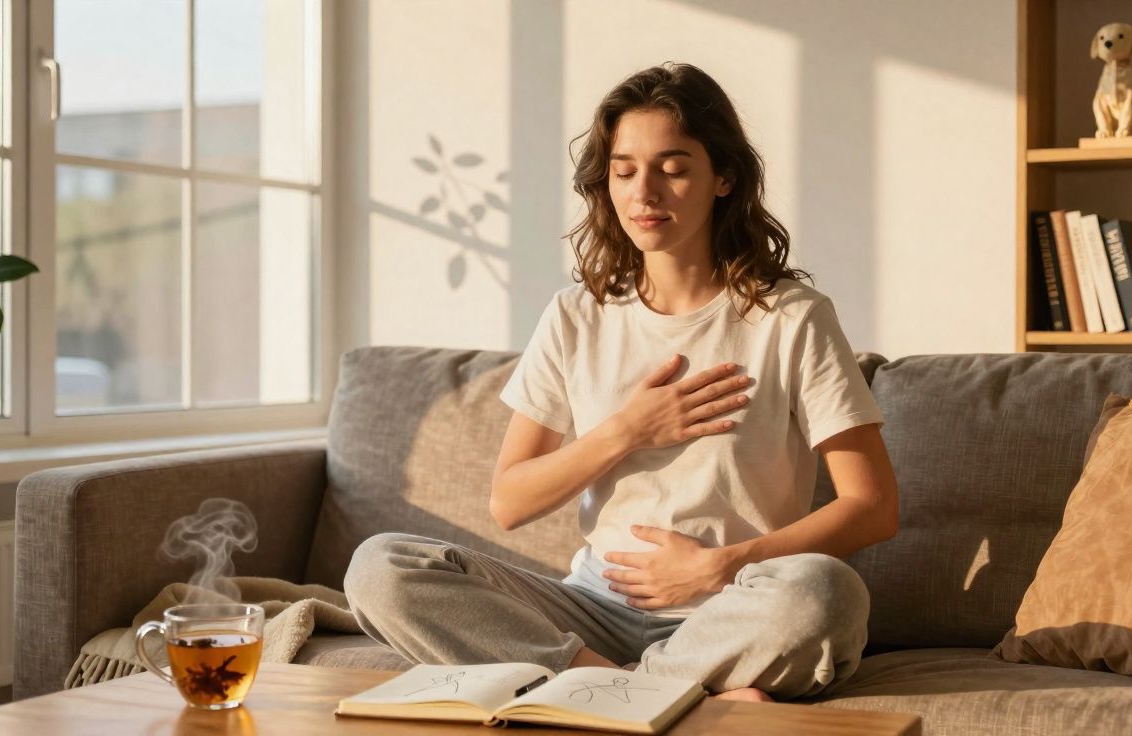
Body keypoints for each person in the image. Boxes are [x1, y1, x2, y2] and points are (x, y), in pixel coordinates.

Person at [345, 61, 899, 703]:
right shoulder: (576, 315)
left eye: (673, 166)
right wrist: (626, 431)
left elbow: (872, 507)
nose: (645, 193)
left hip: (731, 608)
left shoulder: (791, 318)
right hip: (590, 612)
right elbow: (510, 500)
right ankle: (641, 688)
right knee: (381, 567)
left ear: (723, 177)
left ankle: (605, 692)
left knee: (826, 594)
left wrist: (720, 565)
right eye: (625, 169)